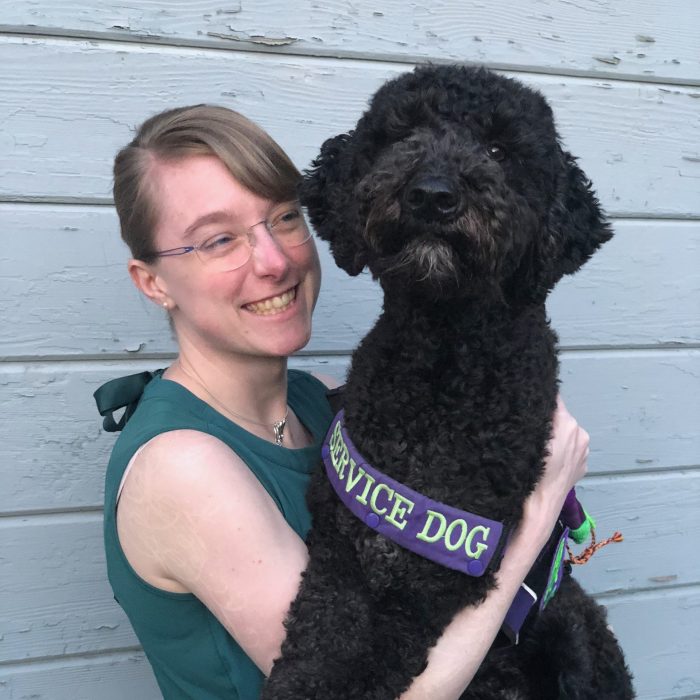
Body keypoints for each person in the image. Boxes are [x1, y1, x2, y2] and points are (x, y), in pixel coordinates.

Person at [98, 104, 590, 699]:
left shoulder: (320, 402)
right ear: (152, 282)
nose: (275, 261)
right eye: (219, 240)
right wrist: (539, 513)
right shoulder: (183, 468)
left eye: (284, 218)